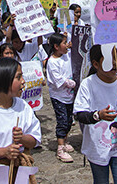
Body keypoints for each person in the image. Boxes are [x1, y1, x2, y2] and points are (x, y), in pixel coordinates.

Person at [74, 44, 117, 184]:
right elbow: (80, 114)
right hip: (97, 146)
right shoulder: (88, 84)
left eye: (116, 59)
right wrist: (97, 115)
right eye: (109, 60)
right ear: (96, 64)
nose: (114, 64)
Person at [45, 33, 76, 163]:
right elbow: (59, 80)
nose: (66, 45)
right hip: (58, 96)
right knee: (62, 120)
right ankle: (60, 148)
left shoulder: (66, 56)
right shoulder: (52, 62)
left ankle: (65, 140)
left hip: (69, 95)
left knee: (69, 119)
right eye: (64, 43)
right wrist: (72, 83)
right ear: (56, 46)